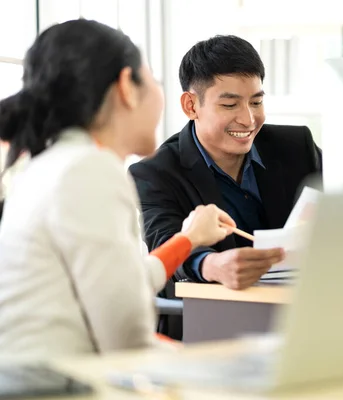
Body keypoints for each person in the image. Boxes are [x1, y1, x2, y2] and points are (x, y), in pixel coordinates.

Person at [0, 19, 236, 357]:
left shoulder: (52, 165)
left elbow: (122, 285)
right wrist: (221, 361)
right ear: (127, 86)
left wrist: (188, 239)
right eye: (153, 79)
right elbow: (127, 341)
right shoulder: (89, 170)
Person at [129, 35, 322, 294]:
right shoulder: (154, 173)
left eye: (256, 102)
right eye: (230, 105)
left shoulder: (297, 146)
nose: (249, 119)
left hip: (301, 308)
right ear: (191, 106)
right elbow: (166, 244)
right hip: (208, 317)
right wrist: (212, 264)